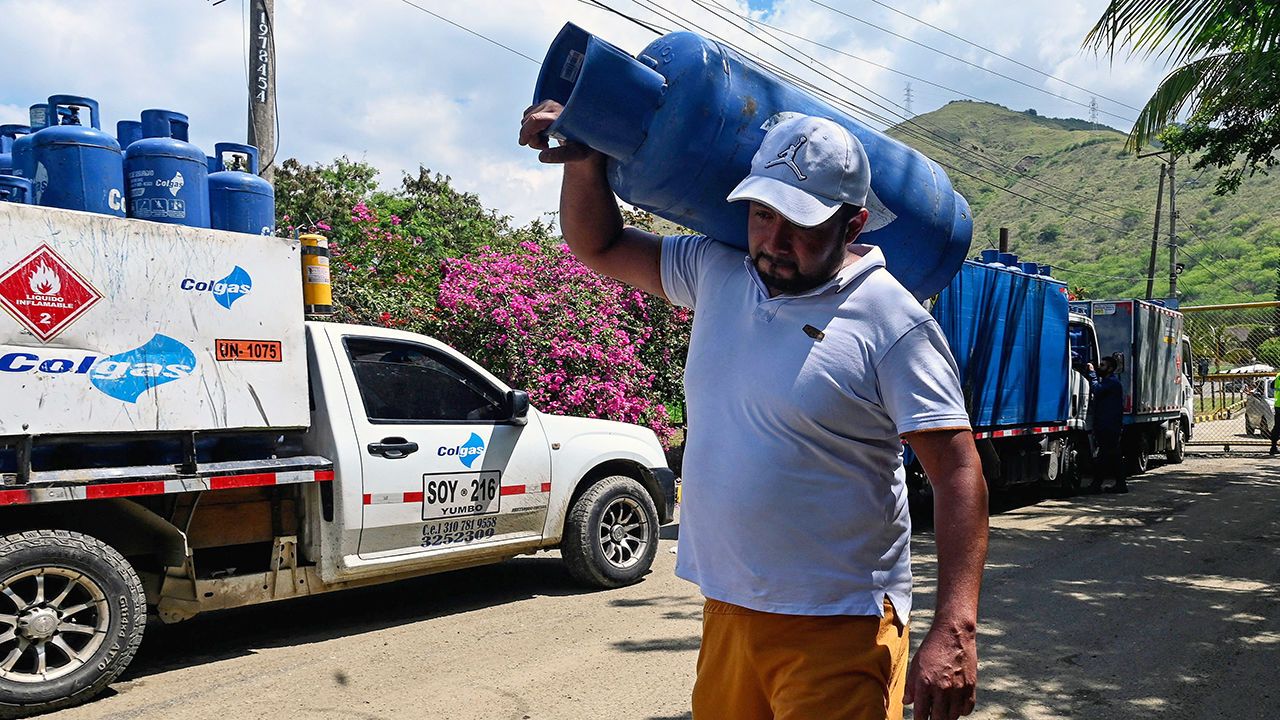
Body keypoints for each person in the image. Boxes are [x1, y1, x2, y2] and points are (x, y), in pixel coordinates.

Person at [520, 102, 988, 720]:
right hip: (728, 612)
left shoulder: (892, 321)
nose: (774, 241)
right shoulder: (718, 271)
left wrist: (955, 625)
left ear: (853, 227)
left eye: (802, 224)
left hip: (839, 623)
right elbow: (598, 244)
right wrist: (585, 160)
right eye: (763, 215)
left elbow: (958, 473)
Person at [1087, 357, 1126, 493]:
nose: (1099, 367)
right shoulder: (1110, 382)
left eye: (1102, 365)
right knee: (1110, 455)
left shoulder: (1111, 383)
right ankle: (1117, 484)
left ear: (1109, 368)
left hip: (1109, 425)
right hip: (1107, 424)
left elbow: (1097, 390)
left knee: (1106, 455)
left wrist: (1092, 374)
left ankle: (1098, 484)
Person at [1269, 370, 1280, 454]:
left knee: (1277, 426)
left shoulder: (1278, 376)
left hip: (1278, 405)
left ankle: (1273, 446)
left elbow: (1271, 386)